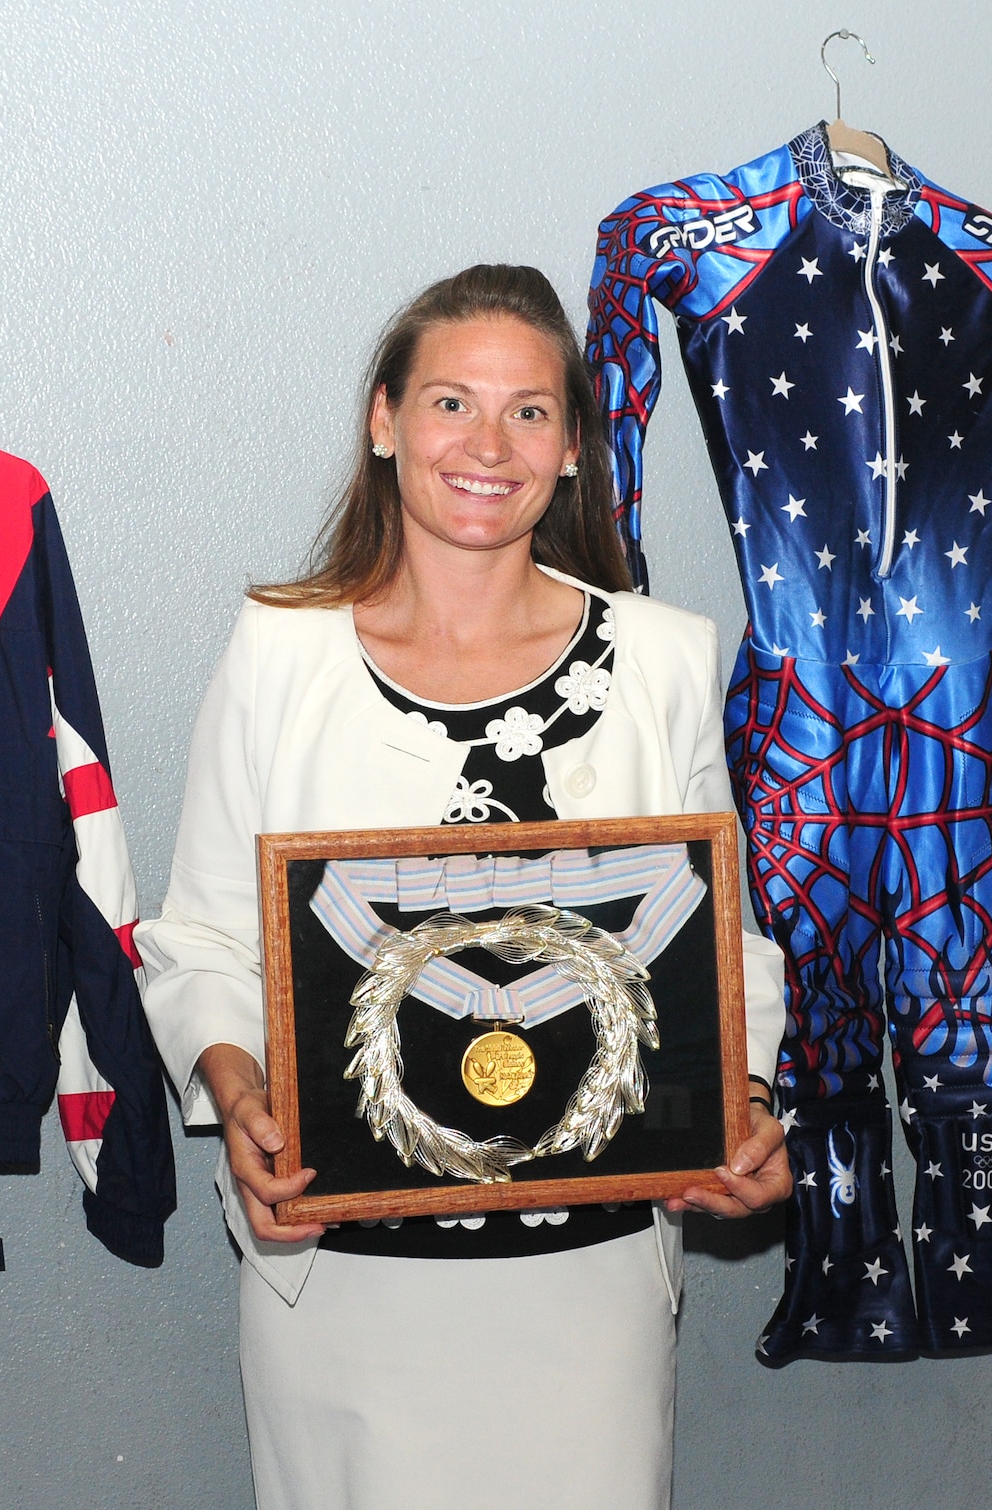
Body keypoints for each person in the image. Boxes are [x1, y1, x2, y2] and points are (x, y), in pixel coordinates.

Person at [135, 264, 791, 1509]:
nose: (488, 444)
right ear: (384, 423)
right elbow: (204, 937)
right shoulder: (281, 650)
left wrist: (744, 1101)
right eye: (449, 403)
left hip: (585, 1285)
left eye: (529, 411)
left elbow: (722, 944)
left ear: (573, 447)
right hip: (343, 1277)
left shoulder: (661, 658)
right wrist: (238, 1097)